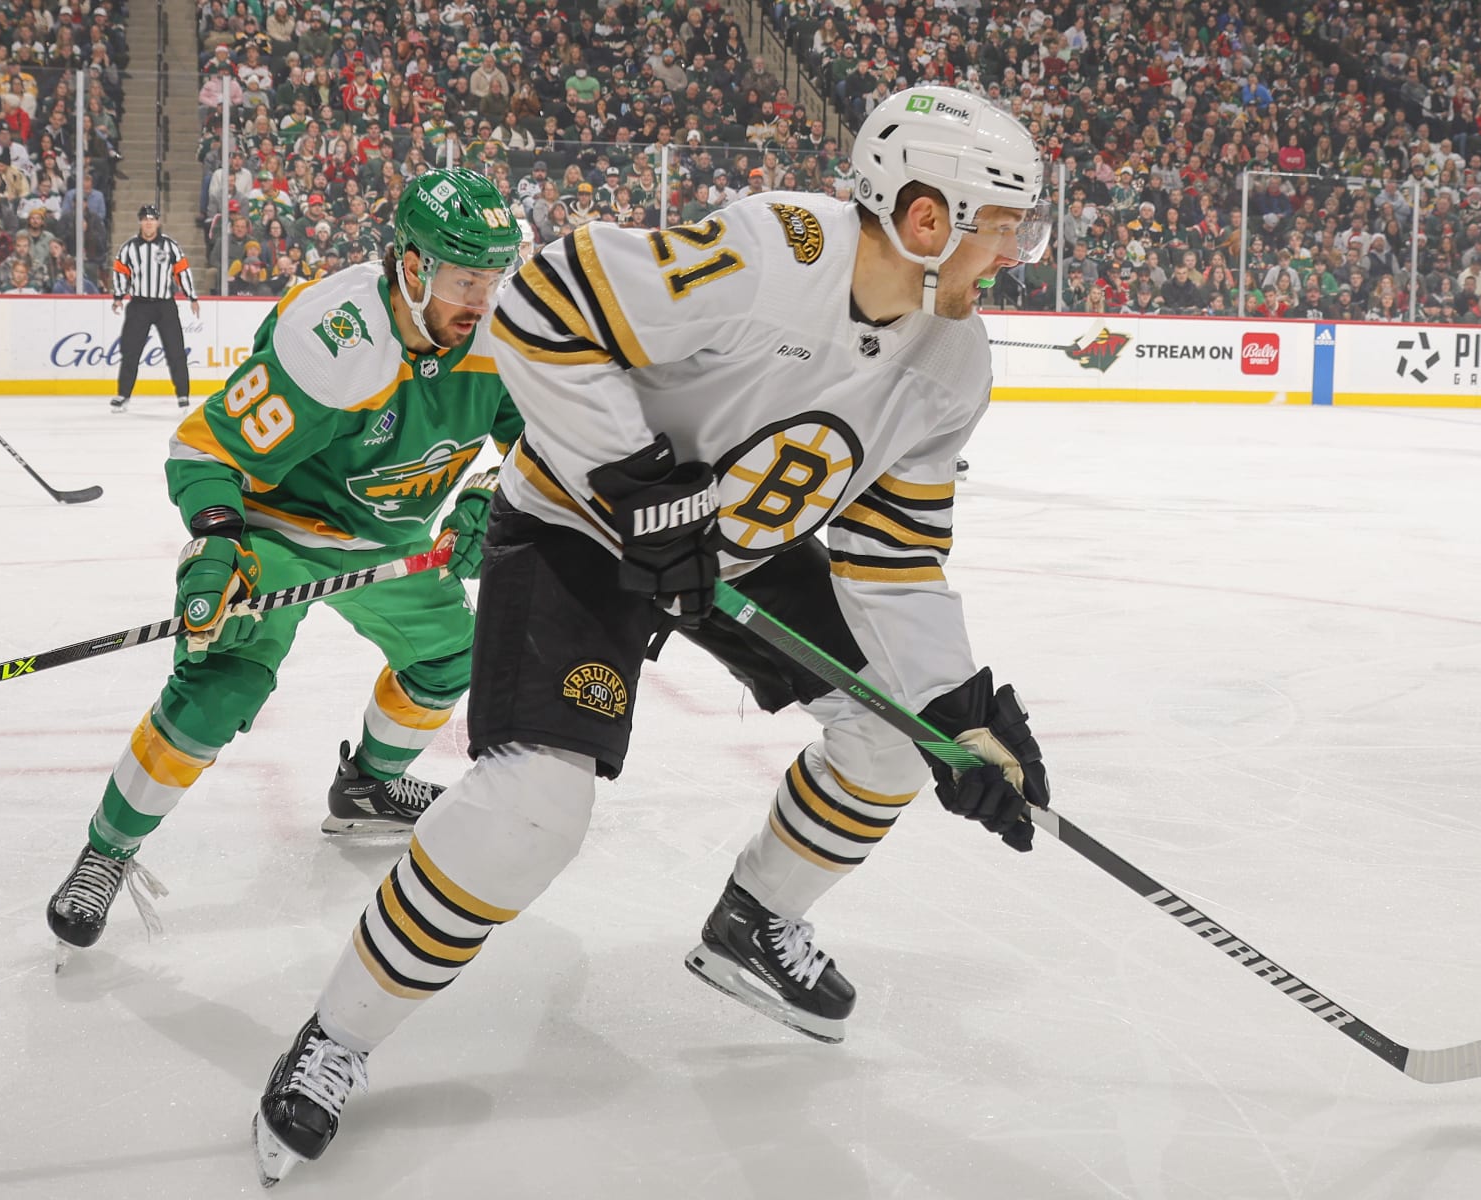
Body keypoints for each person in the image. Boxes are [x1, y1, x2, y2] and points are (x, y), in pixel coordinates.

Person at [251, 86, 1055, 1184]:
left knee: (891, 742)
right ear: (925, 218)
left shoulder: (953, 367)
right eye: (1001, 223)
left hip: (741, 547)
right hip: (582, 523)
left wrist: (959, 712)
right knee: (534, 807)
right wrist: (630, 482)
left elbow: (894, 561)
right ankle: (334, 1038)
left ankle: (753, 922)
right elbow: (541, 306)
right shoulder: (778, 252)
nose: (1013, 251)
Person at [45, 169, 526, 952]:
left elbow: (544, 442)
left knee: (447, 660)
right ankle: (106, 851)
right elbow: (205, 449)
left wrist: (490, 499)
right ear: (412, 265)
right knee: (217, 683)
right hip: (279, 528)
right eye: (466, 278)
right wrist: (217, 540)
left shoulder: (502, 333)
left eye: (493, 277)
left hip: (391, 541)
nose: (482, 298)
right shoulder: (336, 336)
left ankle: (366, 785)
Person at [109, 204, 199, 413]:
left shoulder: (170, 246)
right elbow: (120, 272)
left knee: (175, 350)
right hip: (139, 304)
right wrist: (119, 296)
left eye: (152, 218)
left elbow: (182, 271)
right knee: (131, 351)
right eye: (145, 219)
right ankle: (123, 395)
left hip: (164, 305)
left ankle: (183, 396)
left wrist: (192, 296)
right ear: (140, 222)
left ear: (158, 222)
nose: (149, 222)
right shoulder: (129, 247)